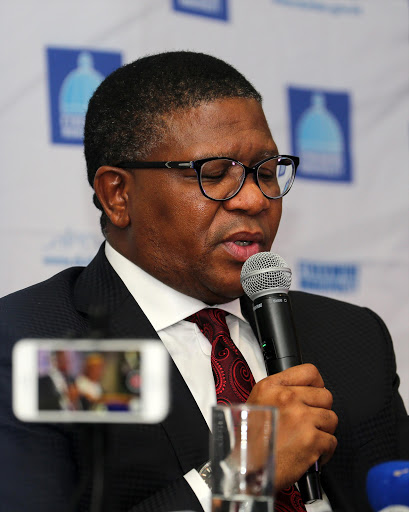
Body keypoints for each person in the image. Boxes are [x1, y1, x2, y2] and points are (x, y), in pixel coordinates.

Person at [0, 51, 407, 512]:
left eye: (266, 172)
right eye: (215, 174)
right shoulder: (40, 345)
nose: (254, 199)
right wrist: (244, 470)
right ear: (118, 194)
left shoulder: (351, 338)